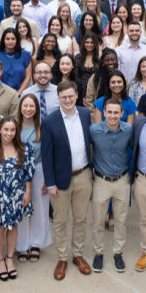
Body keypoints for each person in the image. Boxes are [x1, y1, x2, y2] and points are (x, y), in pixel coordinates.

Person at [40, 81, 93, 280]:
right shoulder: (49, 121)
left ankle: (77, 255)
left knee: (80, 218)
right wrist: (50, 182)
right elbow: (46, 155)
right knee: (60, 220)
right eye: (64, 97)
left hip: (83, 175)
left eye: (71, 96)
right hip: (60, 181)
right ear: (58, 99)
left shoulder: (86, 115)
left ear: (77, 95)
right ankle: (62, 257)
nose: (68, 100)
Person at [0, 117, 35, 281]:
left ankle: (10, 258)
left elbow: (28, 173)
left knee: (13, 227)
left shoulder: (24, 148)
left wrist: (27, 193)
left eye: (12, 130)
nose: (9, 133)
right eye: (6, 129)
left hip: (17, 194)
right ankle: (0, 260)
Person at [88, 99, 134, 274]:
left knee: (121, 220)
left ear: (121, 114)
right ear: (104, 112)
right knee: (98, 220)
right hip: (101, 180)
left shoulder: (128, 130)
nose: (113, 116)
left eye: (117, 112)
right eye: (110, 112)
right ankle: (98, 253)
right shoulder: (94, 130)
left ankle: (118, 252)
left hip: (122, 180)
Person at [15, 94, 51, 264]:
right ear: (20, 107)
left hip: (39, 169)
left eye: (31, 106)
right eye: (25, 106)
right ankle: (21, 245)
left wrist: (49, 179)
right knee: (20, 207)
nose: (28, 109)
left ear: (36, 109)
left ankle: (36, 243)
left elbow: (49, 152)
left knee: (40, 207)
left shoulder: (43, 127)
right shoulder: (14, 125)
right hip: (17, 171)